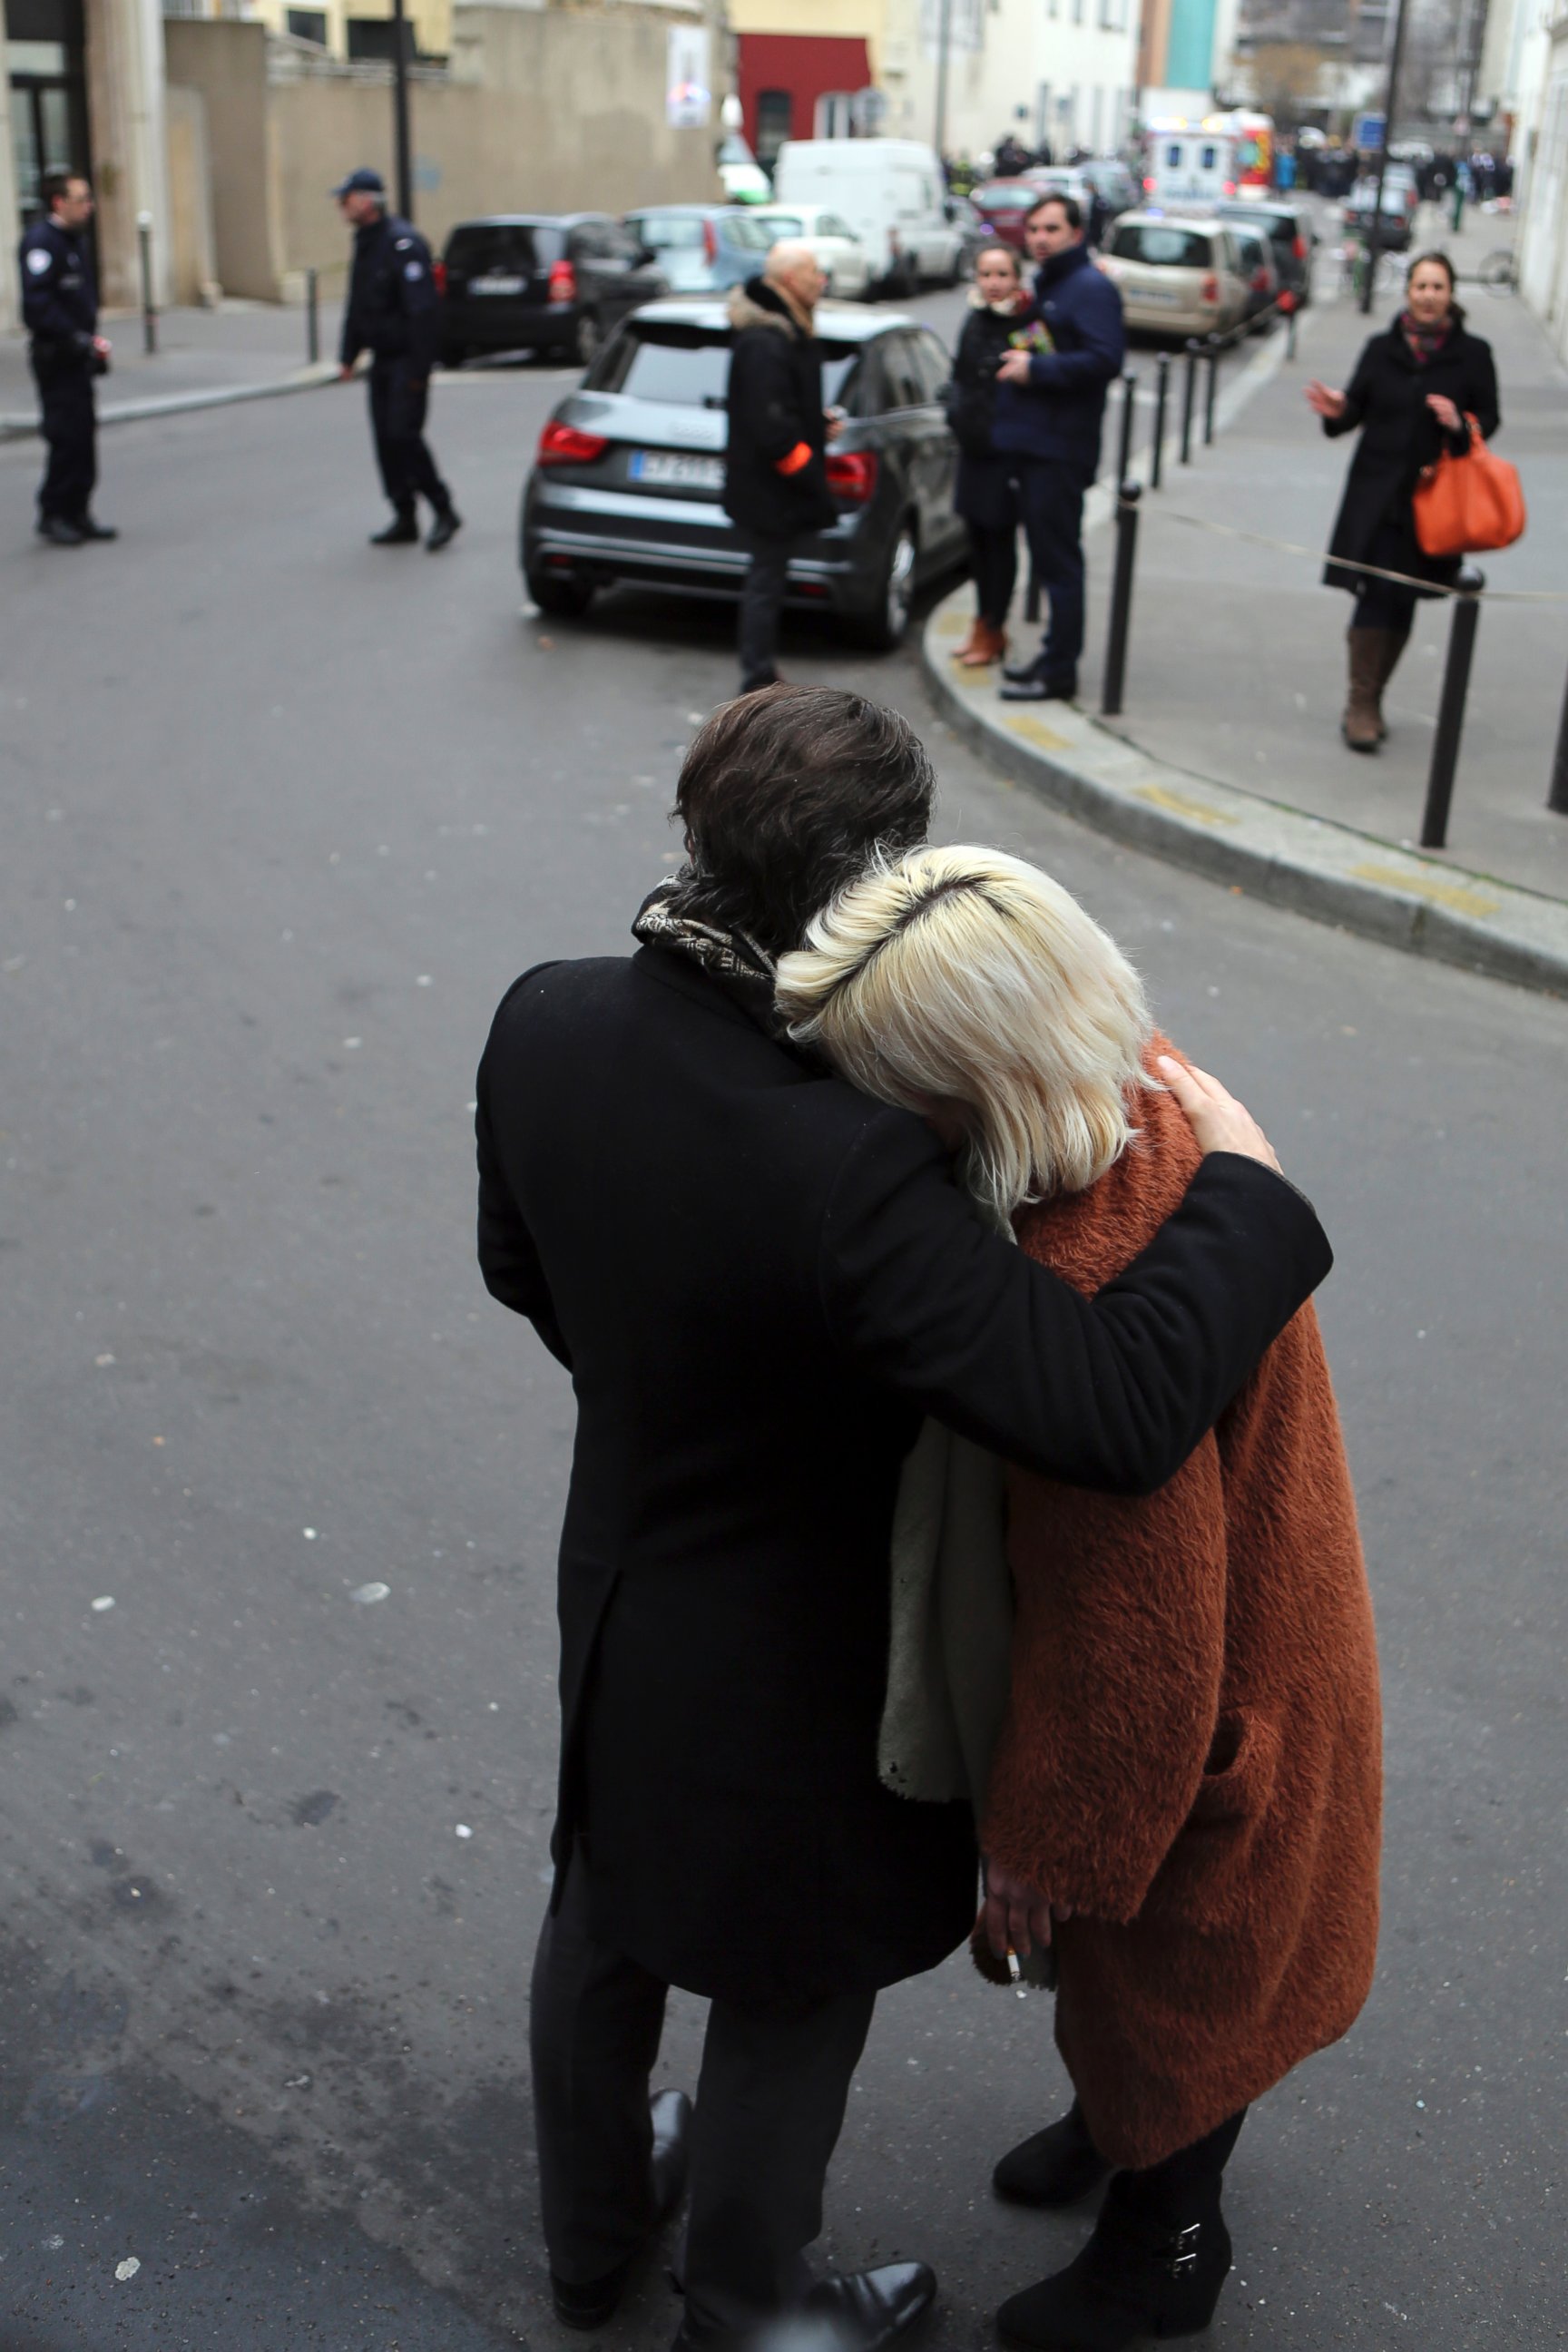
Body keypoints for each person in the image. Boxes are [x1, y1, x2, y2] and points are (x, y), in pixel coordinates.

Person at [475, 684, 1332, 2352]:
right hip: (806, 1644)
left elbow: (523, 1269)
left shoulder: (547, 1015)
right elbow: (1104, 1406)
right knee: (791, 1981)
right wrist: (1243, 1189)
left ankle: (591, 2231)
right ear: (879, 879)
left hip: (628, 1573)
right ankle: (749, 2303)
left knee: (599, 1907)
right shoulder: (849, 1154)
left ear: (695, 837)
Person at [775, 844, 1382, 2352]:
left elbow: (1131, 1631)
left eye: (895, 1087)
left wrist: (1045, 1845)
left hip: (1210, 1704)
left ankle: (1160, 2242)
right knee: (1162, 1992)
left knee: (1172, 1993)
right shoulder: (1141, 1085)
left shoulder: (1084, 1254)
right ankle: (1125, 2137)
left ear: (974, 1078)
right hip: (1274, 1639)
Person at [1307, 250, 1500, 751]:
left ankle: (1372, 696)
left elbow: (1489, 421)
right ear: (1408, 292)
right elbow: (1354, 413)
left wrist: (1459, 425)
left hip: (1430, 501)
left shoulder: (1473, 354)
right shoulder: (1381, 347)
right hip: (1374, 498)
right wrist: (1338, 410)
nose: (1428, 296)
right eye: (1420, 286)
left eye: (1438, 287)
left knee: (1404, 599)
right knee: (1374, 595)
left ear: (1451, 294)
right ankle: (1361, 704)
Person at [991, 194, 1124, 703]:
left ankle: (1060, 670)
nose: (1040, 238)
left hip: (1059, 448)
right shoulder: (1055, 282)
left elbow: (1105, 358)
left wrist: (1036, 368)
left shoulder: (1088, 286)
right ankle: (1051, 656)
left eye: (1051, 228)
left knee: (1060, 564)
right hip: (1038, 442)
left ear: (1075, 232)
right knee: (1048, 562)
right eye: (1033, 229)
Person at [721, 241, 840, 695]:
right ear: (791, 279)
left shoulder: (785, 331)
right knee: (765, 582)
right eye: (814, 272)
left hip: (774, 485)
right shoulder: (766, 341)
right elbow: (773, 428)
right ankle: (756, 678)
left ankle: (760, 671)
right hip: (771, 490)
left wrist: (816, 424)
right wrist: (809, 475)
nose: (821, 280)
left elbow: (785, 409)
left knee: (768, 579)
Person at [333, 167, 461, 551]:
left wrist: (419, 370)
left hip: (407, 358)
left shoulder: (402, 243)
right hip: (382, 359)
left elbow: (423, 311)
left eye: (347, 197)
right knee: (385, 441)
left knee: (404, 435)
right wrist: (348, 355)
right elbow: (358, 305)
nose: (341, 205)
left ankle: (443, 508)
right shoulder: (366, 242)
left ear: (368, 201)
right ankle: (404, 514)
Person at [946, 242, 1034, 669]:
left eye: (1002, 274)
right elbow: (959, 377)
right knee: (976, 543)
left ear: (1016, 278)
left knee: (999, 543)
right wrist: (954, 414)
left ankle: (994, 628)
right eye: (986, 274)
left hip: (1004, 454)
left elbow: (1035, 380)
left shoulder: (1026, 322)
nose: (994, 283)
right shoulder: (974, 318)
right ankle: (981, 623)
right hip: (973, 450)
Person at [18, 172, 115, 548]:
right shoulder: (42, 243)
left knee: (83, 436)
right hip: (56, 356)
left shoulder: (75, 242)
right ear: (59, 202)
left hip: (78, 354)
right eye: (81, 199)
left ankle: (78, 511)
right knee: (65, 436)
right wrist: (72, 337)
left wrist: (89, 341)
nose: (88, 205)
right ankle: (53, 513)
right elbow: (38, 306)